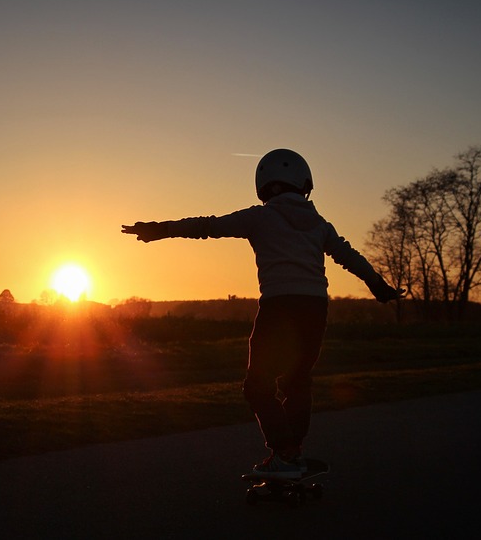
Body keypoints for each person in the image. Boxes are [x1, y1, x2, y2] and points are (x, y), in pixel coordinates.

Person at [121, 148, 403, 479]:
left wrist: (161, 229)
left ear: (264, 185)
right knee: (297, 382)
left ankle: (284, 453)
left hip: (278, 308)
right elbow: (349, 256)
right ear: (304, 184)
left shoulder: (260, 217)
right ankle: (292, 453)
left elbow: (209, 226)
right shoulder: (320, 224)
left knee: (257, 386)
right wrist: (379, 286)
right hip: (314, 309)